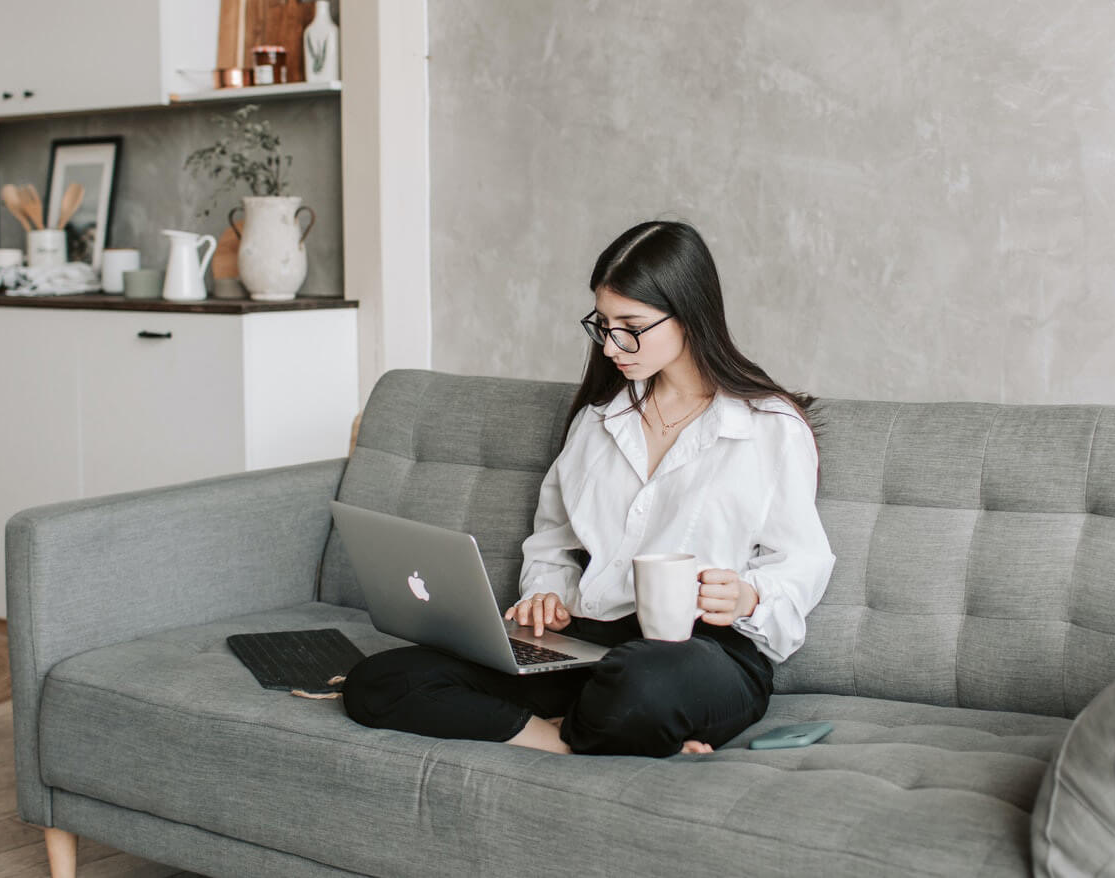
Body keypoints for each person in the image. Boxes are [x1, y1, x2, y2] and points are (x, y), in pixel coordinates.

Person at [342, 220, 835, 757]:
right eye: (602, 324)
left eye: (631, 325)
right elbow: (553, 542)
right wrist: (544, 596)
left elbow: (800, 562)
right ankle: (562, 738)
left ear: (689, 313)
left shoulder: (768, 426)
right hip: (587, 644)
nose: (610, 346)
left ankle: (606, 722)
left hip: (700, 651)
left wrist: (748, 596)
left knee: (640, 684)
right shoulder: (599, 422)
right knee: (379, 679)